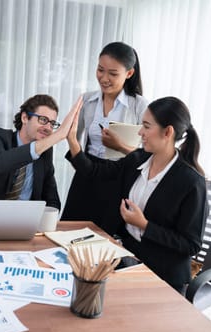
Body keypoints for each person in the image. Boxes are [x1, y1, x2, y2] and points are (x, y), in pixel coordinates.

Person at [66, 96, 207, 293]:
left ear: (167, 132)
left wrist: (145, 225)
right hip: (127, 259)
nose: (140, 132)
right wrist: (72, 141)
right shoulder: (138, 159)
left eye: (147, 126)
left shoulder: (192, 183)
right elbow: (97, 173)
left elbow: (190, 245)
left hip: (163, 276)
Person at [61, 42, 148, 234]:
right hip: (86, 174)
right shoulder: (86, 100)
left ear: (129, 74)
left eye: (113, 73)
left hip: (118, 179)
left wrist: (120, 145)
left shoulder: (139, 106)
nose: (104, 78)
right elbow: (73, 135)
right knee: (69, 234)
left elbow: (147, 156)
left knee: (105, 239)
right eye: (100, 70)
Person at [0, 94, 83, 210]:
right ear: (25, 118)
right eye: (43, 120)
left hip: (25, 221)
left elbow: (52, 201)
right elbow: (0, 164)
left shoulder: (45, 152)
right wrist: (58, 135)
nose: (48, 128)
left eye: (52, 123)